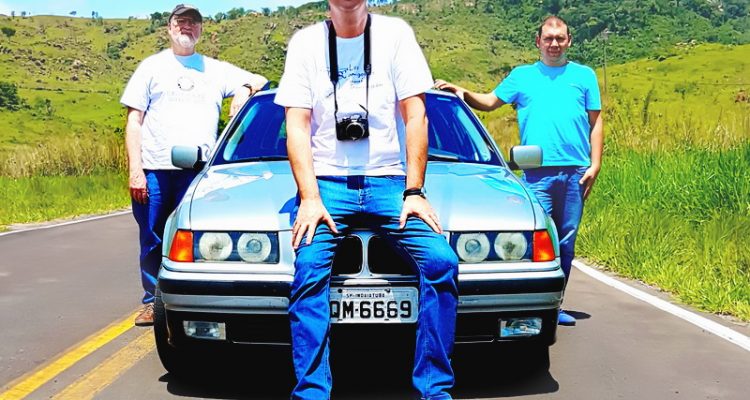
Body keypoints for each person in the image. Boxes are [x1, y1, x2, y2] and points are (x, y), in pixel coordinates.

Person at [274, 0, 459, 399]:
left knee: (441, 261)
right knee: (308, 270)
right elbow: (297, 126)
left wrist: (414, 190)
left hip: (389, 181)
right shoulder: (305, 43)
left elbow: (416, 115)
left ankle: (434, 389)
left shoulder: (396, 34)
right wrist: (309, 196)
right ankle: (312, 393)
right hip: (326, 185)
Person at [435, 15, 603, 327]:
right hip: (535, 172)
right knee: (539, 238)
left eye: (560, 38)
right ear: (538, 42)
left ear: (569, 41)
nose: (554, 44)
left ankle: (556, 304)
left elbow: (596, 122)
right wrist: (463, 92)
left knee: (567, 240)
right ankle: (534, 304)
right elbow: (489, 102)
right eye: (548, 38)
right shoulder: (522, 76)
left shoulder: (584, 76)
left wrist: (595, 164)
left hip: (576, 171)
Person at [121, 4, 268, 327]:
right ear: (169, 27)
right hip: (156, 169)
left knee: (198, 238)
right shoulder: (151, 67)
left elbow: (261, 79)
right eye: (181, 21)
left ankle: (200, 300)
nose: (187, 26)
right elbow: (134, 121)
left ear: (201, 30)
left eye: (193, 22)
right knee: (153, 237)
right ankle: (152, 301)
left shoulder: (215, 69)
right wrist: (136, 170)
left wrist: (244, 90)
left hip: (201, 174)